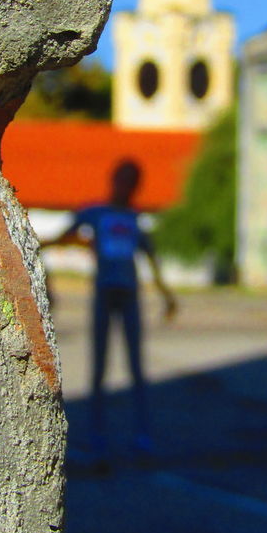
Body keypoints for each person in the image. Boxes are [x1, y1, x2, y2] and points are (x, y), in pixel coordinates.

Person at [48, 159, 176, 456]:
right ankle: (97, 435)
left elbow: (150, 258)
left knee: (136, 367)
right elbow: (66, 234)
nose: (127, 187)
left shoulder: (134, 219)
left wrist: (166, 295)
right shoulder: (96, 213)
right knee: (99, 368)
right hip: (104, 294)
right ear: (114, 179)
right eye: (123, 179)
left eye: (133, 182)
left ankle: (142, 435)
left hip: (129, 294)